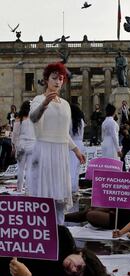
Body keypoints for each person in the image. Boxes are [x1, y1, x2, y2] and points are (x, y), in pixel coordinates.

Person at [29, 62, 85, 225]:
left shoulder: (66, 105)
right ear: (46, 80)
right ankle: (42, 227)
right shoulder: (39, 99)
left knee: (59, 194)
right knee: (45, 193)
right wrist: (45, 104)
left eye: (61, 79)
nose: (58, 82)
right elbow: (33, 118)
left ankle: (59, 229)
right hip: (44, 149)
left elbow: (64, 133)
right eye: (54, 78)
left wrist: (75, 150)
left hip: (60, 152)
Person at [0, 226, 114, 276]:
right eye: (79, 267)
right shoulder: (63, 236)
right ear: (81, 254)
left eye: (76, 275)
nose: (73, 271)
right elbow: (39, 222)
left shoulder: (59, 274)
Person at [11, 100, 35, 192]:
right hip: (32, 145)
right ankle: (28, 189)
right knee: (29, 169)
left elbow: (15, 134)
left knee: (20, 168)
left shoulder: (19, 118)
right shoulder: (34, 118)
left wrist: (13, 145)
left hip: (21, 145)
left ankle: (19, 188)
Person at [69, 104, 86, 194]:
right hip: (80, 143)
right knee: (76, 168)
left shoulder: (69, 121)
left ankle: (71, 187)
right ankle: (75, 187)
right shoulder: (81, 121)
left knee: (71, 167)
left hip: (72, 144)